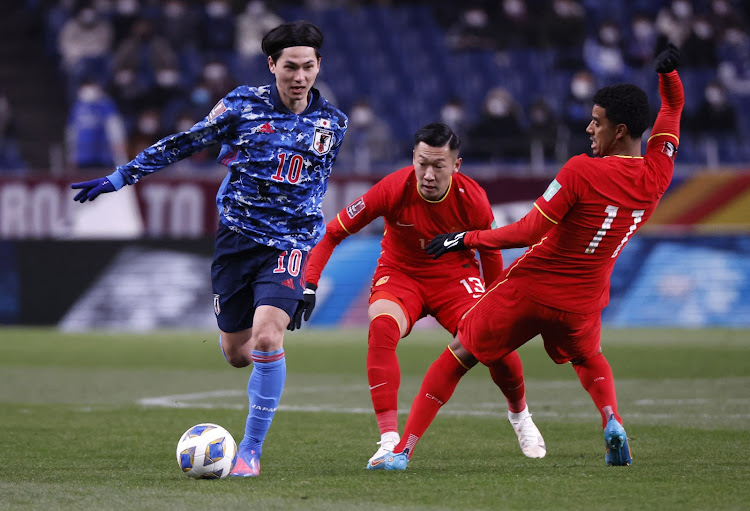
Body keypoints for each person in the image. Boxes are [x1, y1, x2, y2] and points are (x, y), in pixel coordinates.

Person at [382, 43, 684, 470]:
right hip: (583, 301)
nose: (588, 129)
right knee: (588, 357)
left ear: (618, 131)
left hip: (532, 288)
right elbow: (671, 111)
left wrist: (466, 239)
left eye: (596, 122)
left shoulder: (582, 170)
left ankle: (402, 450)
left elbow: (528, 231)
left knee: (456, 356)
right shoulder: (659, 173)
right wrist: (670, 76)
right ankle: (611, 419)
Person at [69, 21, 348, 477]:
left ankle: (251, 452)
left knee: (267, 338)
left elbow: (313, 194)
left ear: (319, 66)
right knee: (238, 352)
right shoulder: (241, 105)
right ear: (272, 65)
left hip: (289, 244)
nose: (300, 77)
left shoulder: (332, 124)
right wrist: (122, 176)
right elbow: (185, 142)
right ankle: (254, 372)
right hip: (236, 241)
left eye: (309, 67)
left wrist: (309, 275)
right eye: (290, 67)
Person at [294, 123, 546, 469]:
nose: (428, 174)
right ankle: (388, 441)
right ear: (413, 157)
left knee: (492, 340)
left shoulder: (472, 198)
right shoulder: (391, 188)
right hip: (401, 275)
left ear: (456, 166)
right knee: (382, 328)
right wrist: (309, 283)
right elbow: (333, 233)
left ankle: (520, 416)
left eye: (438, 166)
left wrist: (494, 302)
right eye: (422, 163)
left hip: (454, 278)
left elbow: (489, 251)